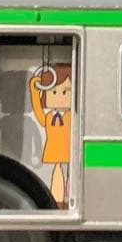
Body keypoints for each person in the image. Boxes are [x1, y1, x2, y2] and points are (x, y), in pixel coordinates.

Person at [29, 62, 73, 208]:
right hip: (54, 149)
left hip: (67, 149)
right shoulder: (49, 117)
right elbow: (38, 112)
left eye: (65, 92)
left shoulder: (70, 117)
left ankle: (67, 201)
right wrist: (34, 91)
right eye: (53, 92)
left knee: (69, 175)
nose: (59, 97)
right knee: (57, 173)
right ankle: (58, 201)